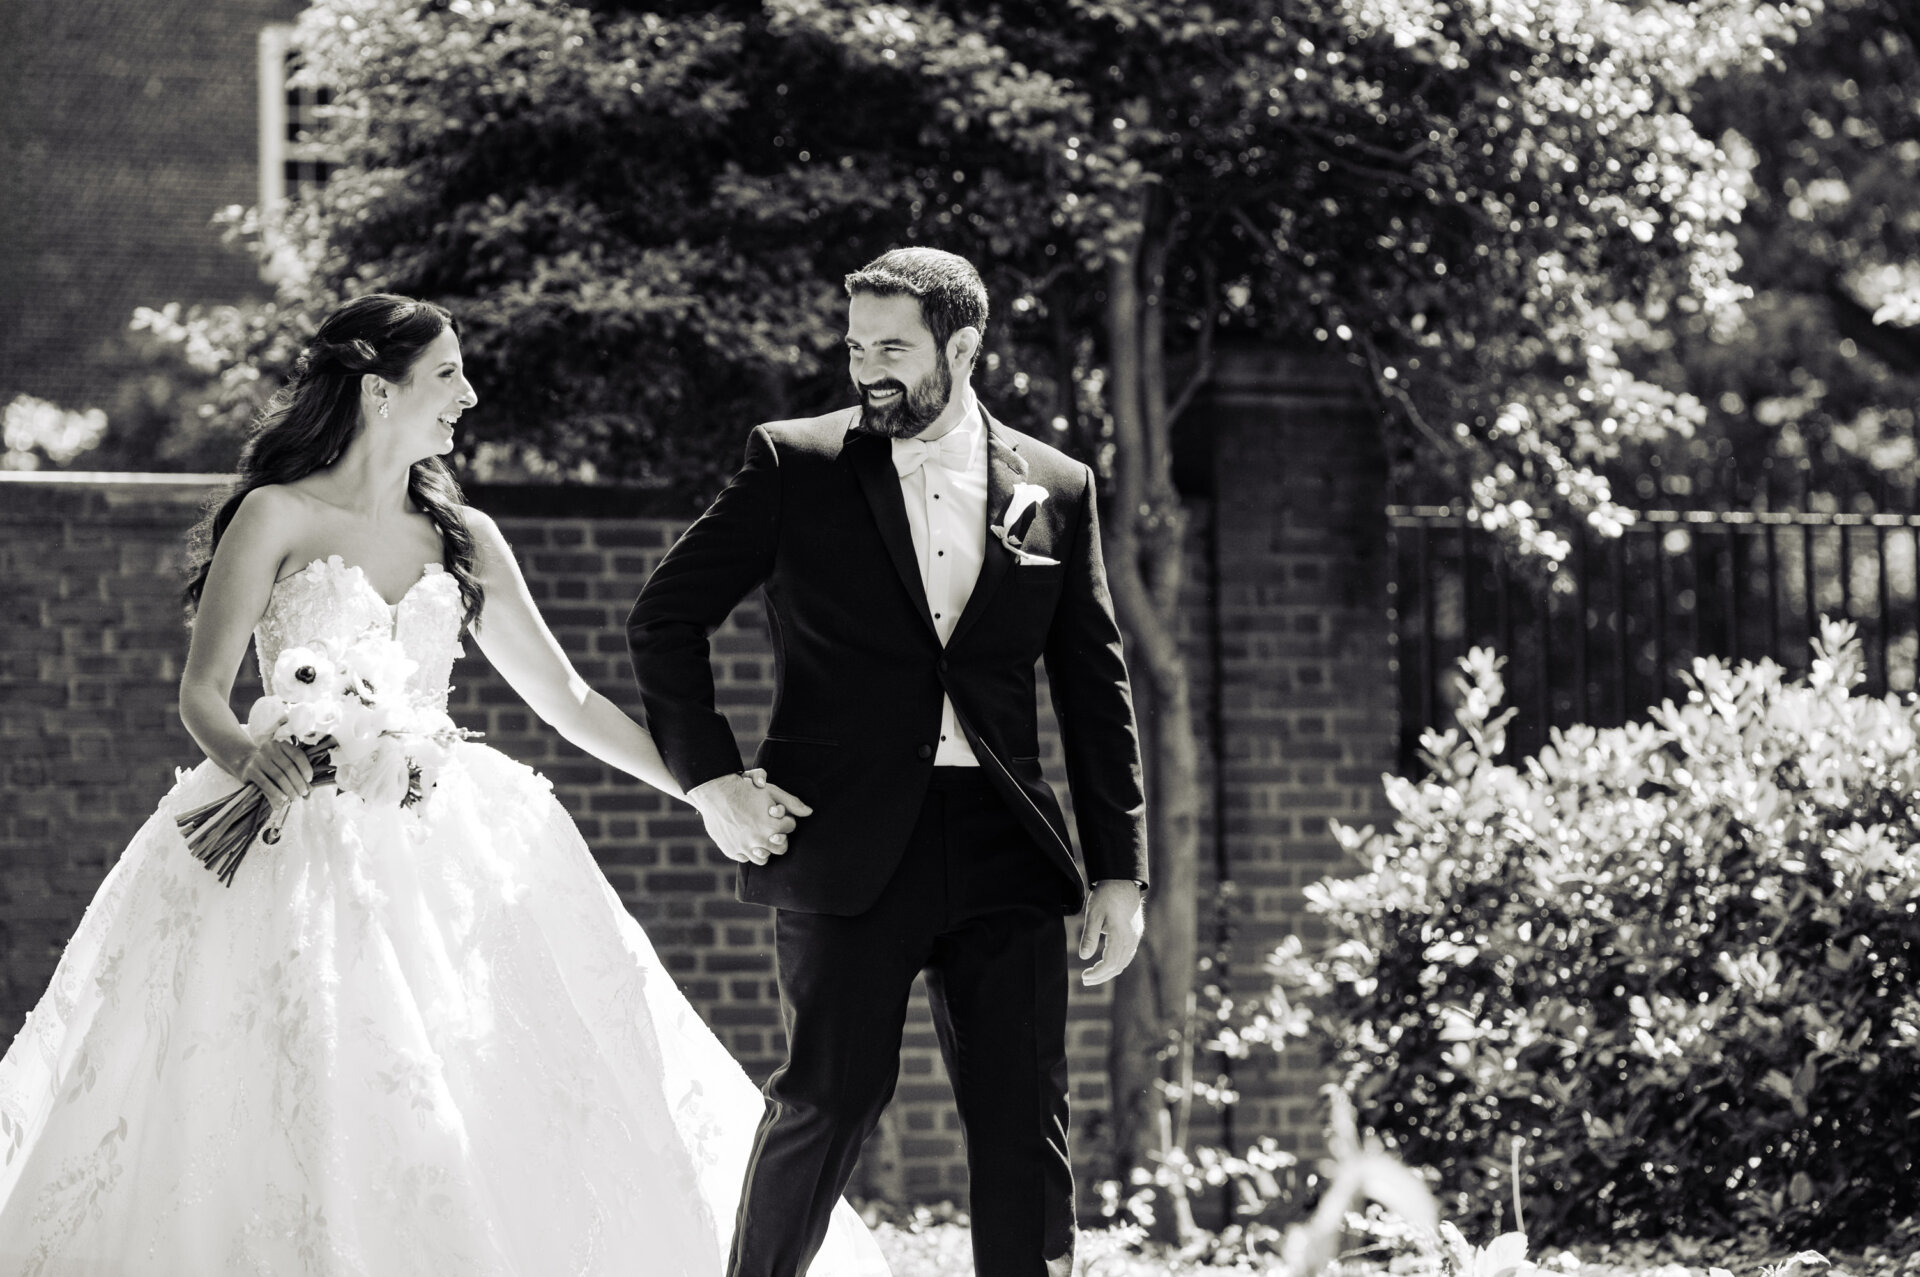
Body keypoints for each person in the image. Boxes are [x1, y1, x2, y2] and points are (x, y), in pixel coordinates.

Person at [0, 295, 890, 1276]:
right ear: (381, 392)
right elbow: (204, 693)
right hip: (280, 839)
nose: (469, 394)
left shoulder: (463, 537)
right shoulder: (275, 512)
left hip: (439, 834)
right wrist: (257, 757)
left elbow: (567, 697)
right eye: (448, 375)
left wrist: (706, 786)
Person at [628, 247, 1151, 1277]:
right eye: (857, 344)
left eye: (894, 348)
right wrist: (714, 780)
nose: (868, 367)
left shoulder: (1056, 484)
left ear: (963, 346)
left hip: (1007, 842)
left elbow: (1096, 686)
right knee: (827, 1098)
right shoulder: (796, 463)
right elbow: (666, 615)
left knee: (1021, 1113)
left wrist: (1120, 871)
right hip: (847, 837)